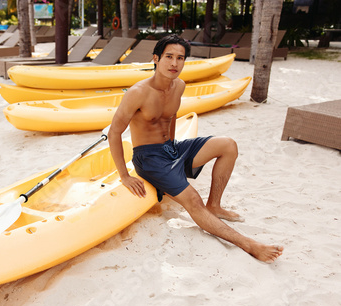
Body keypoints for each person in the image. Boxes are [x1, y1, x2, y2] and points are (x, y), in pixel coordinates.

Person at [108, 35, 283, 264]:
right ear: (156, 59)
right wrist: (124, 175)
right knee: (192, 200)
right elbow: (114, 132)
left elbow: (170, 118)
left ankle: (215, 205)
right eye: (169, 57)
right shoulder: (138, 93)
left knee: (228, 145)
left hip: (170, 148)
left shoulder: (178, 86)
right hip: (149, 158)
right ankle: (249, 245)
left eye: (180, 58)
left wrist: (172, 148)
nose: (174, 63)